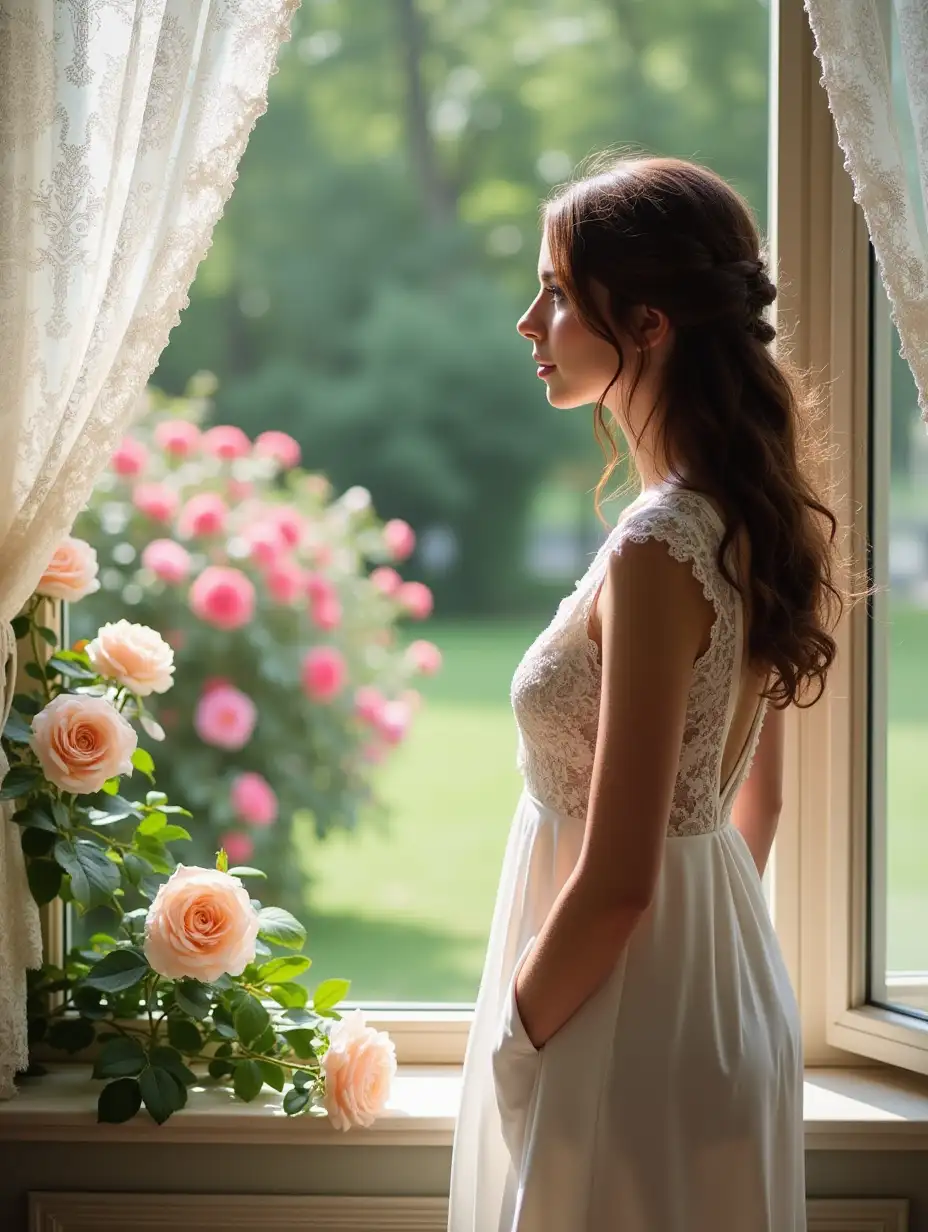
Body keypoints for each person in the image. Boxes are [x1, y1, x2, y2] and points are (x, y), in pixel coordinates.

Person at [447, 153, 861, 1232]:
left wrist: (520, 1032)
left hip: (612, 1000)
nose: (527, 321)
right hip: (707, 975)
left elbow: (622, 878)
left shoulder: (655, 548)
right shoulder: (738, 511)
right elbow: (749, 808)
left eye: (553, 290)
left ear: (645, 323)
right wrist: (699, 959)